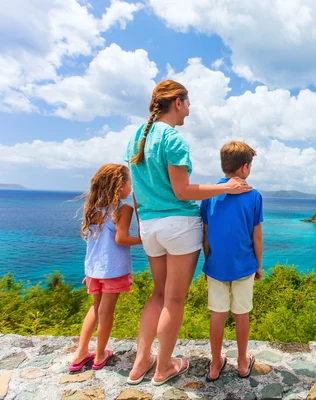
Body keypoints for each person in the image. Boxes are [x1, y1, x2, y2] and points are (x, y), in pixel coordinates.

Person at [125, 80, 251, 386]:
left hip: (150, 225)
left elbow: (139, 194)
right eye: (188, 102)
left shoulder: (135, 139)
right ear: (177, 102)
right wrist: (227, 187)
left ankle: (141, 362)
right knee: (174, 299)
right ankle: (163, 366)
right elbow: (182, 191)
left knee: (157, 294)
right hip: (178, 226)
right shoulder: (172, 139)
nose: (190, 109)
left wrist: (143, 225)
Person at [200, 141, 263, 382]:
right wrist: (258, 264)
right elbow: (256, 235)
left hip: (216, 266)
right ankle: (242, 362)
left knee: (217, 314)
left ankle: (215, 364)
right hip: (244, 265)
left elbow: (206, 233)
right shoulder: (254, 196)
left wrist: (208, 262)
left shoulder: (209, 195)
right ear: (245, 167)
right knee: (241, 314)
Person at [69, 164, 141, 372]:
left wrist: (90, 271)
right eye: (129, 183)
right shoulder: (123, 209)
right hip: (113, 269)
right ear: (120, 186)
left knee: (95, 308)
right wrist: (144, 240)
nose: (130, 187)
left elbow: (95, 243)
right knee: (107, 311)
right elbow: (121, 238)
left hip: (94, 269)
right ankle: (100, 355)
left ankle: (80, 353)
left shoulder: (93, 209)